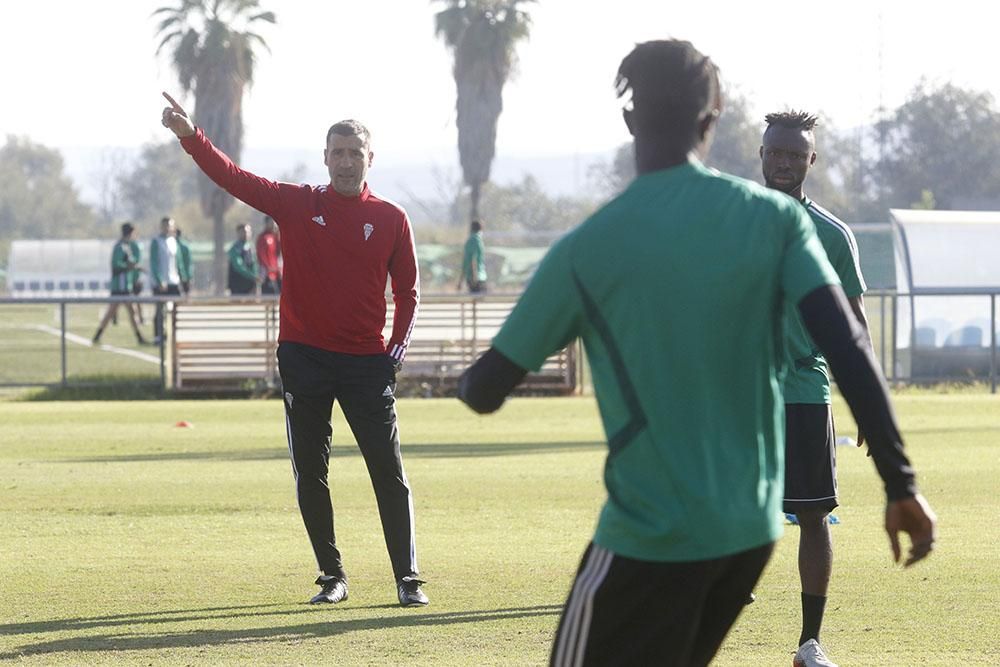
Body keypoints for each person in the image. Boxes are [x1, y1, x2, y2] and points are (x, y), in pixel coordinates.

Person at [456, 39, 936, 666]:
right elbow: (848, 345)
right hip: (748, 533)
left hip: (649, 532)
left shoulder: (587, 247)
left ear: (629, 120)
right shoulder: (776, 221)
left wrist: (463, 377)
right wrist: (901, 483)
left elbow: (486, 391)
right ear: (714, 118)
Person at [161, 92, 427, 607]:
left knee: (387, 470)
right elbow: (236, 178)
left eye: (356, 152)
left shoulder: (392, 218)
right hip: (304, 357)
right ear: (325, 158)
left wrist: (394, 350)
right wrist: (191, 138)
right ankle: (332, 577)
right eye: (338, 152)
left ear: (371, 158)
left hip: (367, 363)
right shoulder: (298, 203)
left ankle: (408, 579)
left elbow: (409, 293)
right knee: (311, 470)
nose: (347, 161)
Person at [758, 110, 876, 667]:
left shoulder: (830, 234)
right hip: (738, 395)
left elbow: (854, 325)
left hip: (804, 391)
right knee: (717, 508)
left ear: (811, 160)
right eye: (773, 151)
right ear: (761, 154)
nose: (782, 162)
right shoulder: (733, 222)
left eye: (793, 153)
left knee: (812, 515)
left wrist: (870, 407)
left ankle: (810, 642)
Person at [92, 222, 148, 345]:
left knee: (132, 312)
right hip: (119, 286)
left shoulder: (127, 246)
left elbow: (130, 263)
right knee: (112, 312)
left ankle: (139, 337)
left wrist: (137, 268)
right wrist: (129, 267)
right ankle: (97, 336)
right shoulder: (119, 247)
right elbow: (116, 265)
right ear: (130, 233)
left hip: (126, 286)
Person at [150, 216, 182, 342]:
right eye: (165, 225)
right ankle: (158, 336)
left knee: (176, 309)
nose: (167, 228)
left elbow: (178, 262)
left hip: (174, 281)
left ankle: (174, 334)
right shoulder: (156, 241)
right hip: (161, 282)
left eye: (170, 225)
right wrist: (159, 280)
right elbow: (154, 263)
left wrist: (183, 277)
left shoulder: (174, 241)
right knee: (160, 310)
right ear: (161, 227)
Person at [227, 223, 259, 295]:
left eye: (248, 232)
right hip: (238, 284)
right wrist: (253, 276)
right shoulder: (234, 249)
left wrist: (256, 277)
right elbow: (239, 267)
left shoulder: (251, 248)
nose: (246, 234)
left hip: (250, 285)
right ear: (238, 233)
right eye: (243, 232)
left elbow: (254, 264)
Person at [457, 220, 487, 293]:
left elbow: (465, 262)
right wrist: (475, 277)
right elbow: (474, 260)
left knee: (473, 299)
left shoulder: (469, 241)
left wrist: (460, 280)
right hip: (478, 277)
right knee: (479, 299)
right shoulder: (476, 241)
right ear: (481, 229)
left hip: (470, 277)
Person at [257, 215, 282, 295]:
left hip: (276, 271)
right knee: (269, 294)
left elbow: (279, 252)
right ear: (266, 223)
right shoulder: (262, 237)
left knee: (279, 294)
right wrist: (268, 267)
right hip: (267, 272)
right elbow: (262, 254)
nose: (273, 224)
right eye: (271, 222)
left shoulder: (275, 236)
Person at [176, 228, 194, 295]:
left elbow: (188, 263)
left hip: (180, 275)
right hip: (183, 276)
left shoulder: (183, 247)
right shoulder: (184, 246)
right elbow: (189, 263)